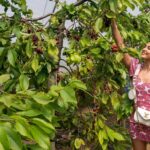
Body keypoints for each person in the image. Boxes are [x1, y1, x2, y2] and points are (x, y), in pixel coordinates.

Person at [111, 19, 150, 150]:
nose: (144, 49)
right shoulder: (135, 67)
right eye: (145, 46)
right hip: (137, 121)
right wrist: (113, 24)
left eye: (149, 48)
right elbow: (121, 46)